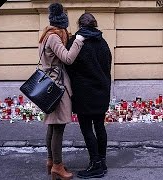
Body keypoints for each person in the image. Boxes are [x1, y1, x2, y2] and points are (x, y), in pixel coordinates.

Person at [39, 3, 85, 180]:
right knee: (58, 127)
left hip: (50, 84)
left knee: (52, 125)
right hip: (57, 86)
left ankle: (51, 161)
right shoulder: (53, 38)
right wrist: (78, 41)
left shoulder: (45, 36)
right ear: (62, 22)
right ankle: (57, 167)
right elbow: (67, 58)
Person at [66, 13, 112, 179]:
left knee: (86, 129)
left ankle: (95, 165)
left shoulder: (76, 42)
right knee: (99, 126)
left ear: (80, 26)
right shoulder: (103, 43)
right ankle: (102, 161)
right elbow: (108, 66)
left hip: (84, 93)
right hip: (101, 90)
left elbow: (68, 66)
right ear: (95, 24)